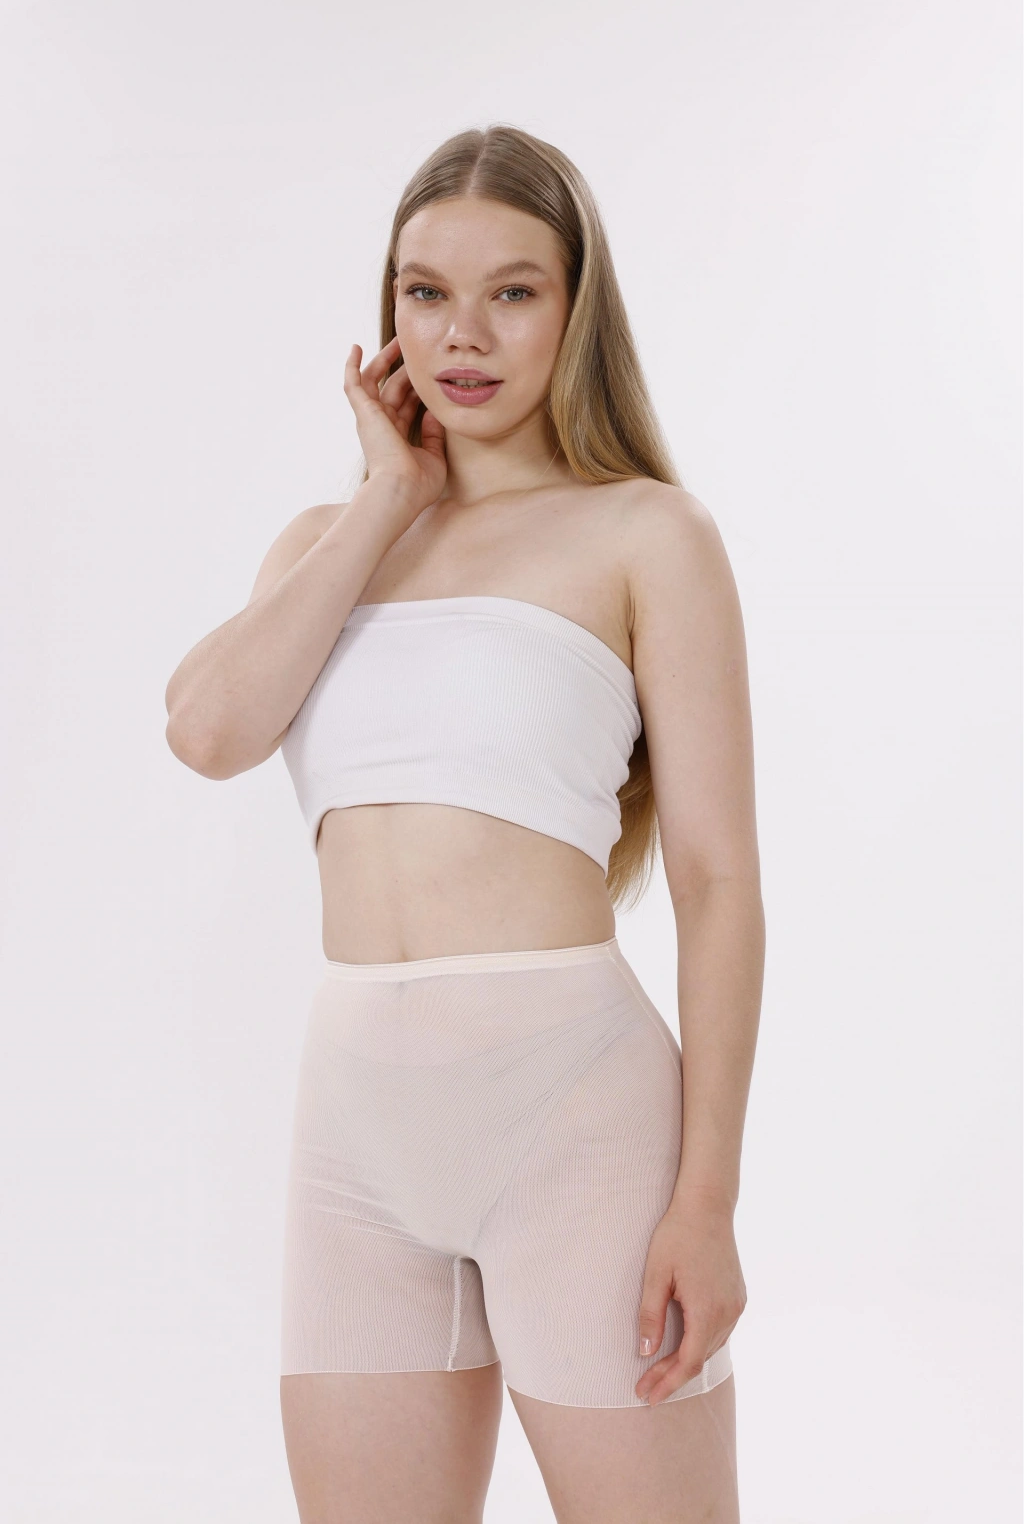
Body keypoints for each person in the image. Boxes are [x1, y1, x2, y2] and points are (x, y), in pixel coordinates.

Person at [164, 124, 764, 1524]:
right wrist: (387, 497)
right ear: (388, 311)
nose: (464, 335)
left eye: (514, 291)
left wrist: (709, 1200)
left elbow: (717, 881)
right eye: (426, 292)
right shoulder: (329, 540)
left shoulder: (645, 532)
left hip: (577, 1119)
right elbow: (205, 732)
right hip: (357, 1130)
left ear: (577, 309)